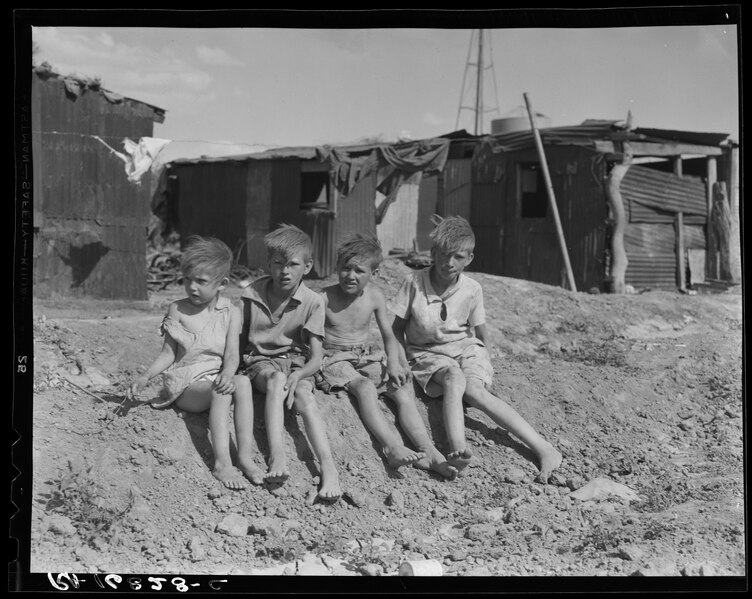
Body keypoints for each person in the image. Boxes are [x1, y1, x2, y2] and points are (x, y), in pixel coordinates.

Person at [389, 216, 562, 483]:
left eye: (458, 257)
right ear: (433, 252)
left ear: (469, 258)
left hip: (465, 348)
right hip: (426, 353)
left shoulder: (472, 289)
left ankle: (544, 449)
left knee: (474, 390)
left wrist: (485, 363)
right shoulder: (414, 283)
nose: (449, 263)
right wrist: (398, 359)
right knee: (453, 377)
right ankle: (458, 448)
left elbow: (480, 331)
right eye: (444, 255)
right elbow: (396, 329)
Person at [316, 233, 458, 480]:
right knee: (364, 387)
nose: (350, 276)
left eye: (359, 271)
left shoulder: (375, 296)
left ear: (375, 273)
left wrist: (393, 362)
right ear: (336, 268)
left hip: (364, 355)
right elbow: (309, 337)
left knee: (402, 388)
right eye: (345, 269)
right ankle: (391, 446)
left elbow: (389, 335)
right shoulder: (323, 298)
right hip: (334, 358)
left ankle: (428, 450)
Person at [128, 236, 263, 490]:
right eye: (187, 279)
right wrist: (146, 376)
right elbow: (168, 353)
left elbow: (233, 353)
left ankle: (244, 457)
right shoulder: (177, 309)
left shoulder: (231, 312)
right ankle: (222, 464)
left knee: (242, 382)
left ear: (221, 284)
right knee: (220, 392)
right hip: (186, 384)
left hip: (214, 375)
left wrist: (228, 371)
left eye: (201, 282)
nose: (192, 287)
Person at [238, 224, 341, 500]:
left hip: (296, 362)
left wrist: (301, 375)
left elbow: (317, 356)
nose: (285, 271)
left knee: (306, 396)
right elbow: (238, 341)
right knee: (276, 380)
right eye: (278, 264)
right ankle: (277, 456)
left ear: (307, 267)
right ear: (268, 265)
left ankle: (328, 466)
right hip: (261, 362)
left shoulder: (313, 301)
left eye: (293, 265)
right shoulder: (252, 294)